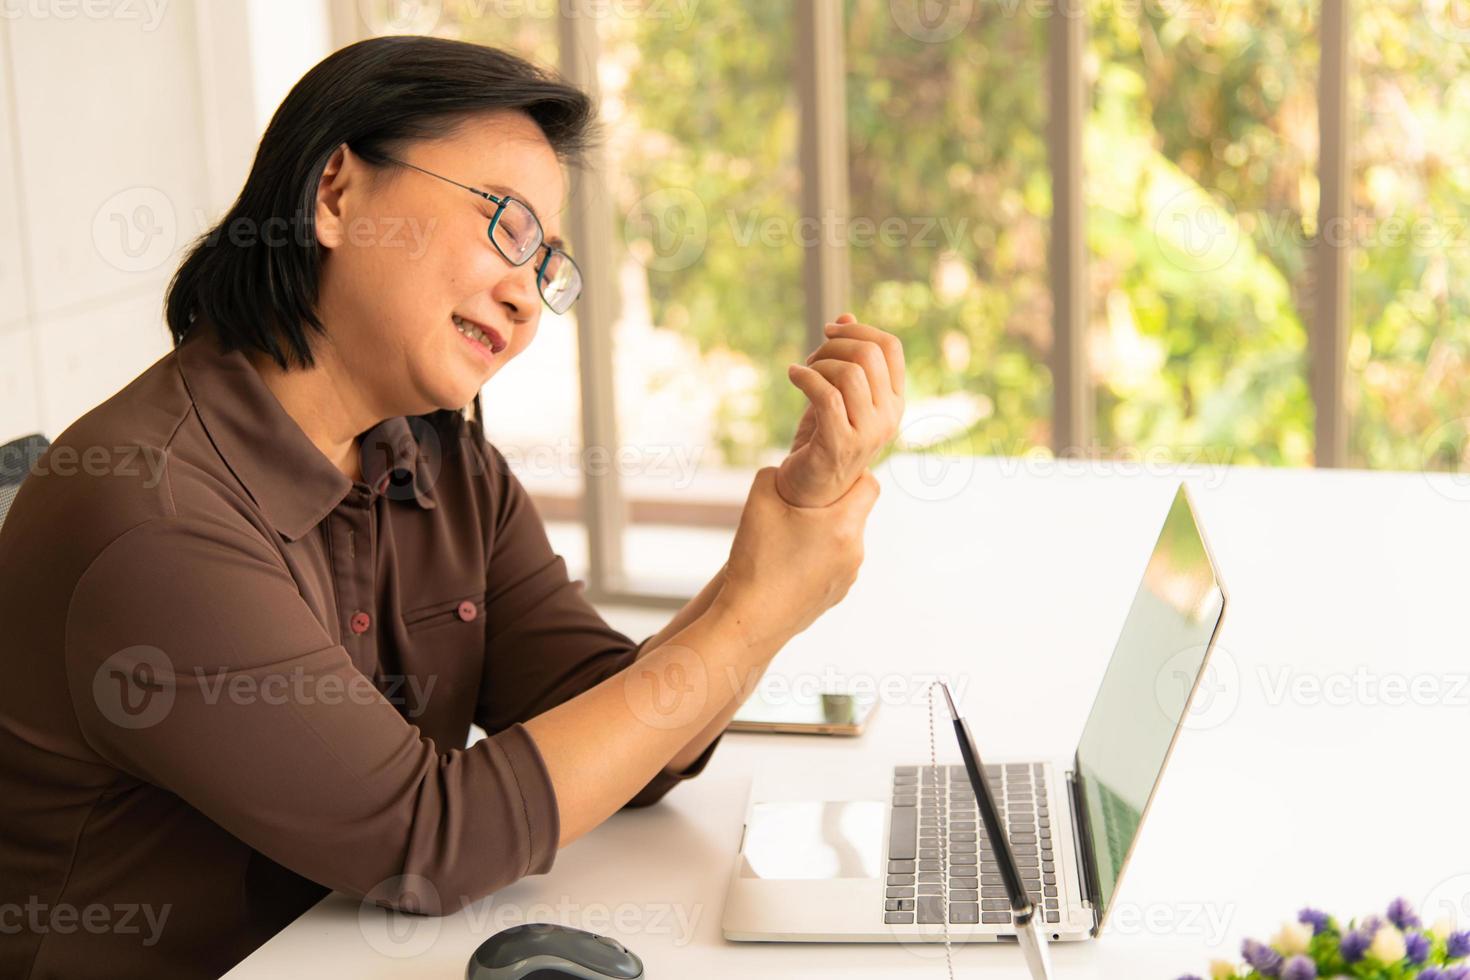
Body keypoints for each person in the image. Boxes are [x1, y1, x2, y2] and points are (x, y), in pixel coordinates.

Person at [0, 35, 905, 979]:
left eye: (547, 263)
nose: (526, 297)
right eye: (506, 226)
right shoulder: (151, 517)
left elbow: (627, 737)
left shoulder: (436, 458)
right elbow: (428, 841)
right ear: (337, 194)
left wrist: (783, 539)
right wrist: (762, 606)